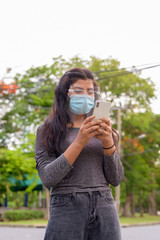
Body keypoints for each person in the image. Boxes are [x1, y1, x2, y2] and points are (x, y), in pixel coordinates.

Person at [35, 68, 124, 240]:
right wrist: (80, 141)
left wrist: (108, 143)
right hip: (66, 205)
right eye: (78, 90)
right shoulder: (47, 131)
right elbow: (48, 178)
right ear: (65, 94)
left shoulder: (105, 131)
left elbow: (116, 178)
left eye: (90, 91)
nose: (85, 95)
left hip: (104, 204)